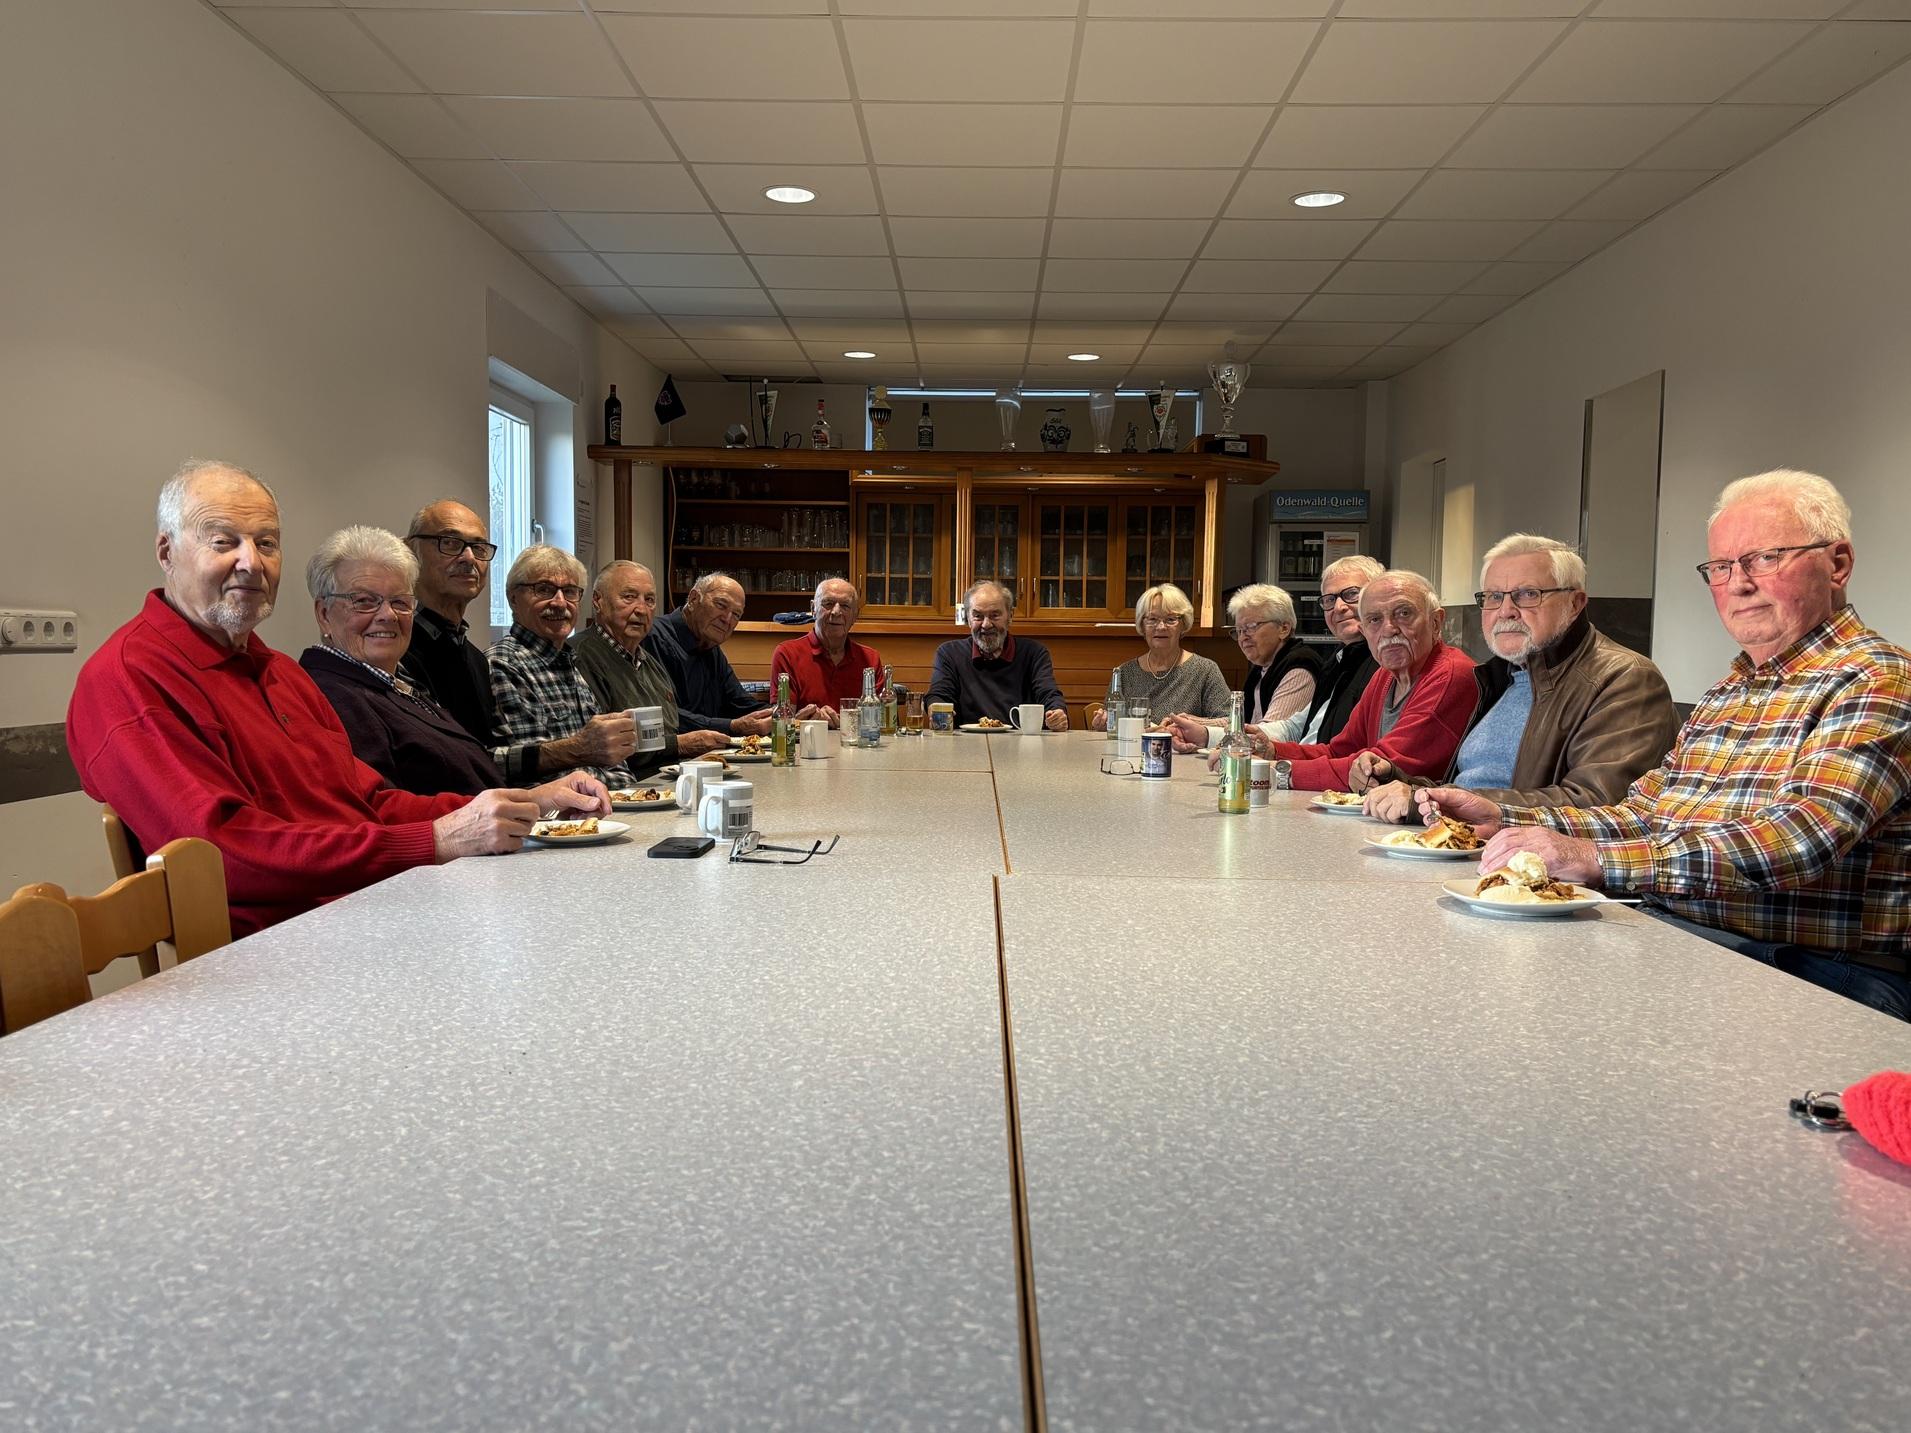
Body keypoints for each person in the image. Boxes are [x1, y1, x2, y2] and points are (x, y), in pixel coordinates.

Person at [1419, 470, 1911, 1019]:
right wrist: (1500, 815)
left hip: (1817, 972)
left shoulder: (1877, 678)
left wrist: (1596, 859)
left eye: (1765, 558)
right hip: (1693, 935)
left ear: (1837, 563)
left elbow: (1801, 838)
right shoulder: (1730, 690)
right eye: (1722, 567)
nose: (1739, 583)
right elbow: (1645, 813)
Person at [66, 460, 606, 936]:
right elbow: (220, 854)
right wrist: (435, 841)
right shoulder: (128, 678)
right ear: (167, 551)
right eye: (223, 541)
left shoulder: (277, 670)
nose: (251, 562)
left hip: (366, 912)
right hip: (271, 957)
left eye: (267, 542)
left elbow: (367, 801)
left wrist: (520, 807)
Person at [1359, 534, 1678, 821]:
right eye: (1494, 597)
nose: (1506, 610)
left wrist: (1434, 803)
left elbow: (1597, 805)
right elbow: (1468, 785)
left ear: (1575, 603)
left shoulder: (1626, 679)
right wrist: (1397, 781)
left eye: (1527, 594)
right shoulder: (1502, 677)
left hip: (1537, 876)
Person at [397, 500, 634, 783]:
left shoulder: (470, 655)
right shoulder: (399, 649)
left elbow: (480, 758)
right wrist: (580, 750)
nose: (469, 558)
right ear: (410, 550)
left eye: (479, 547)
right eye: (450, 542)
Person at [299, 526, 502, 796]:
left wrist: (537, 800)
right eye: (364, 601)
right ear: (324, 614)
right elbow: (381, 809)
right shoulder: (331, 696)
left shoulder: (395, 684)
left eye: (400, 602)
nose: (388, 615)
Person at [1254, 569, 1475, 791]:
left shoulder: (1452, 675)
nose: (1388, 629)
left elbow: (1380, 768)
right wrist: (1272, 751)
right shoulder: (1385, 676)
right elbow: (1339, 751)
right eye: (1374, 619)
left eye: (1404, 613)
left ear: (1436, 622)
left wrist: (1274, 773)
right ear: (1365, 630)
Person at [488, 545, 637, 787]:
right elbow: (535, 773)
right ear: (513, 598)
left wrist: (627, 797)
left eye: (569, 592)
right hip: (559, 818)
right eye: (544, 589)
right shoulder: (504, 665)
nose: (559, 603)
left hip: (605, 809)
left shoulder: (570, 664)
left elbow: (615, 760)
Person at [571, 560, 731, 767]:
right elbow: (600, 747)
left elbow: (669, 727)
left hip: (666, 779)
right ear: (597, 601)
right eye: (629, 597)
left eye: (649, 600)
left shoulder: (649, 662)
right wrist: (679, 745)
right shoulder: (580, 656)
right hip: (623, 786)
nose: (642, 609)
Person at [1163, 582, 1318, 750]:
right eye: (1239, 630)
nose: (1243, 637)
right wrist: (1188, 721)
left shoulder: (1299, 668)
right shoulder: (1262, 667)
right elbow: (1242, 722)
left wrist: (1204, 734)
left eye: (1251, 627)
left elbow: (1266, 735)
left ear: (1284, 628)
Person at [645, 573, 773, 737]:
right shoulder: (653, 638)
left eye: (736, 615)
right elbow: (663, 716)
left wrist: (786, 717)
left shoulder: (711, 648)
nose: (727, 619)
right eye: (721, 605)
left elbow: (741, 704)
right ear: (693, 600)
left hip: (711, 755)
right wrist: (731, 726)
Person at [926, 581, 1068, 729]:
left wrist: (1057, 713)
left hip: (1023, 746)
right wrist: (935, 708)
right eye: (978, 616)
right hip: (966, 745)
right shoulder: (949, 653)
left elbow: (1049, 694)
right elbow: (939, 695)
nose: (986, 624)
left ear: (1010, 616)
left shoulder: (1034, 653)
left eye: (995, 615)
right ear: (968, 619)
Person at [1094, 583, 1230, 732]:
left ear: (1183, 625)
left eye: (1171, 619)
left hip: (1183, 752)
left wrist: (1192, 722)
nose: (1161, 627)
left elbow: (1228, 721)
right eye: (1152, 619)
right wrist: (1104, 723)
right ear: (1142, 625)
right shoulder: (1124, 673)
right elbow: (1112, 720)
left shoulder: (1205, 670)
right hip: (1133, 752)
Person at [769, 577, 882, 727]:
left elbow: (879, 722)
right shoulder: (787, 654)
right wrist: (806, 722)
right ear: (813, 609)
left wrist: (846, 724)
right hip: (805, 746)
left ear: (856, 615)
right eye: (828, 604)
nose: (836, 611)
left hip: (855, 746)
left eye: (845, 606)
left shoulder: (870, 659)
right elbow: (782, 724)